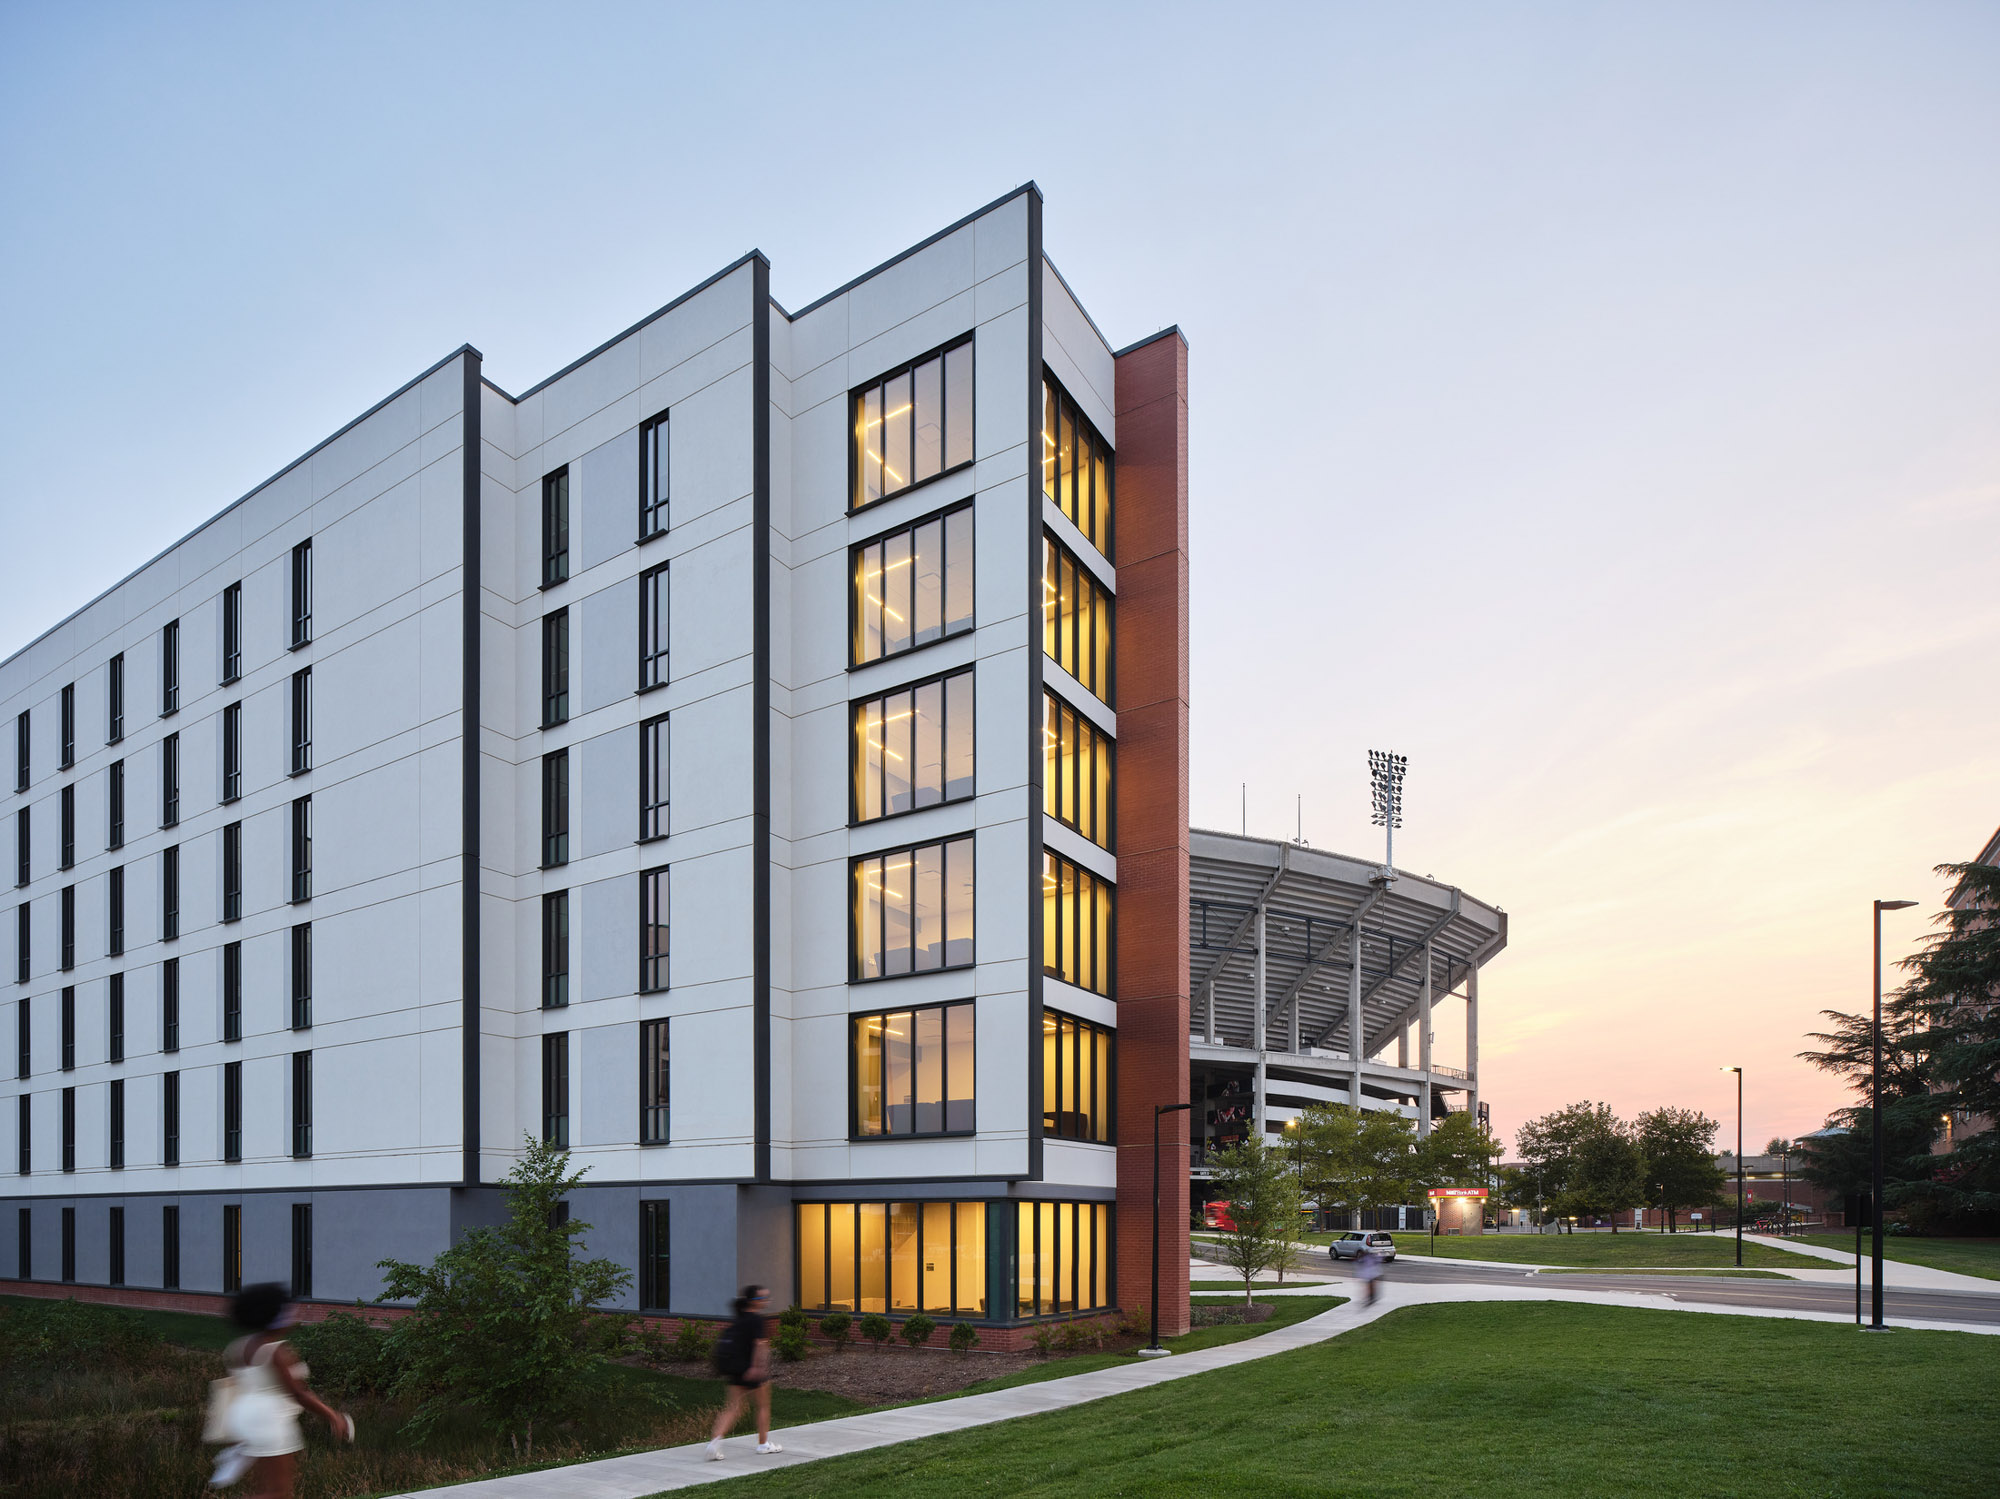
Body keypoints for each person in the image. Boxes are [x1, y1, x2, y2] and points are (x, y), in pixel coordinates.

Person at [213, 1283, 353, 1496]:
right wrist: (333, 1416)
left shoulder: (239, 1347)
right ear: (276, 1316)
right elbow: (299, 1393)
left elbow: (237, 1384)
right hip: (269, 1420)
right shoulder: (278, 1351)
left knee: (264, 1488)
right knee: (279, 1492)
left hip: (242, 1416)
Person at [705, 1285, 783, 1461]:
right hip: (751, 1370)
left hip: (735, 1370)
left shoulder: (738, 1319)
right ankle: (763, 1444)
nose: (766, 1301)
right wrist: (758, 1368)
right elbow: (760, 1345)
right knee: (763, 1406)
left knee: (732, 1408)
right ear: (753, 1302)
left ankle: (714, 1444)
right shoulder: (756, 1320)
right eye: (763, 1298)